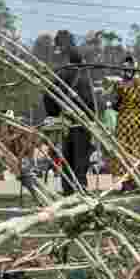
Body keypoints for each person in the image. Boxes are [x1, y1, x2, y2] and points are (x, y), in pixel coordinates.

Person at [45, 49, 95, 195]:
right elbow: (89, 102)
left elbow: (48, 96)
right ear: (81, 62)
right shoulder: (83, 77)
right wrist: (91, 117)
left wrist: (53, 113)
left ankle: (67, 188)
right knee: (81, 157)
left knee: (67, 157)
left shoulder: (60, 76)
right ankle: (80, 187)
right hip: (81, 124)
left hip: (65, 124)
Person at [112, 54, 140, 192]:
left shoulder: (119, 85)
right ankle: (137, 182)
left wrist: (124, 107)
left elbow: (114, 104)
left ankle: (128, 184)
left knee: (125, 149)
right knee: (138, 148)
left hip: (124, 120)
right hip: (139, 120)